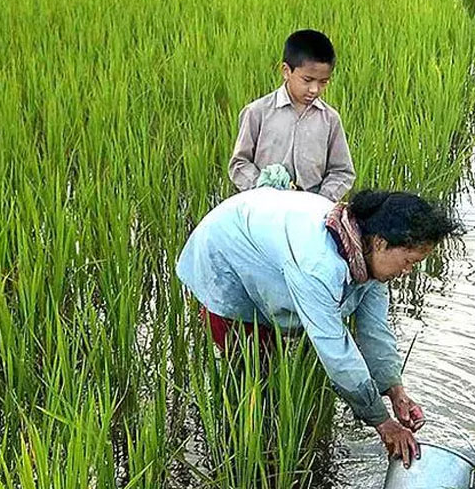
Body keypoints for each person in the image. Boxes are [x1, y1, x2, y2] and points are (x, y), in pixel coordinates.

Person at [175, 187, 459, 467]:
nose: (407, 271)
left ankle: (269, 442)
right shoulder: (318, 262)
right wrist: (382, 423)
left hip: (267, 238)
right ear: (382, 243)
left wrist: (396, 392)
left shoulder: (367, 253)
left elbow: (375, 331)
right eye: (409, 261)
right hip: (224, 251)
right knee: (250, 373)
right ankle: (241, 454)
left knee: (273, 374)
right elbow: (335, 350)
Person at [228, 29, 355, 200]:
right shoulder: (257, 112)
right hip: (266, 207)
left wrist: (321, 200)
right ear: (286, 71)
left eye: (323, 82)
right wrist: (261, 187)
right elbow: (239, 164)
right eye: (307, 80)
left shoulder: (330, 120)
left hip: (310, 210)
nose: (314, 89)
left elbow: (342, 171)